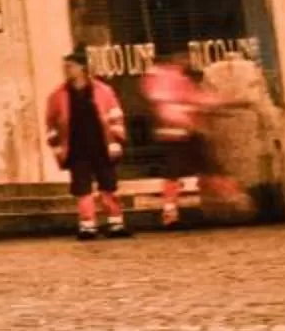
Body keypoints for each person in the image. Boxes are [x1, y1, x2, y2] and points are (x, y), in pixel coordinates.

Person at [44, 52, 128, 240]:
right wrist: (57, 146)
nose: (66, 70)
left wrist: (116, 141)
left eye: (70, 66)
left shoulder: (103, 91)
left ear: (82, 68)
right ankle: (87, 225)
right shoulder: (58, 95)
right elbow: (51, 122)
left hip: (101, 145)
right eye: (65, 67)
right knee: (82, 188)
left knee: (108, 185)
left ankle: (115, 222)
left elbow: (115, 116)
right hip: (76, 148)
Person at [137, 49, 212, 229]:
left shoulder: (161, 78)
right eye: (183, 57)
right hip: (178, 133)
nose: (186, 61)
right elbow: (180, 104)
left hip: (181, 132)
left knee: (183, 173)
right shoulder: (167, 78)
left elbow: (191, 100)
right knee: (200, 169)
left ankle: (173, 211)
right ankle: (172, 213)